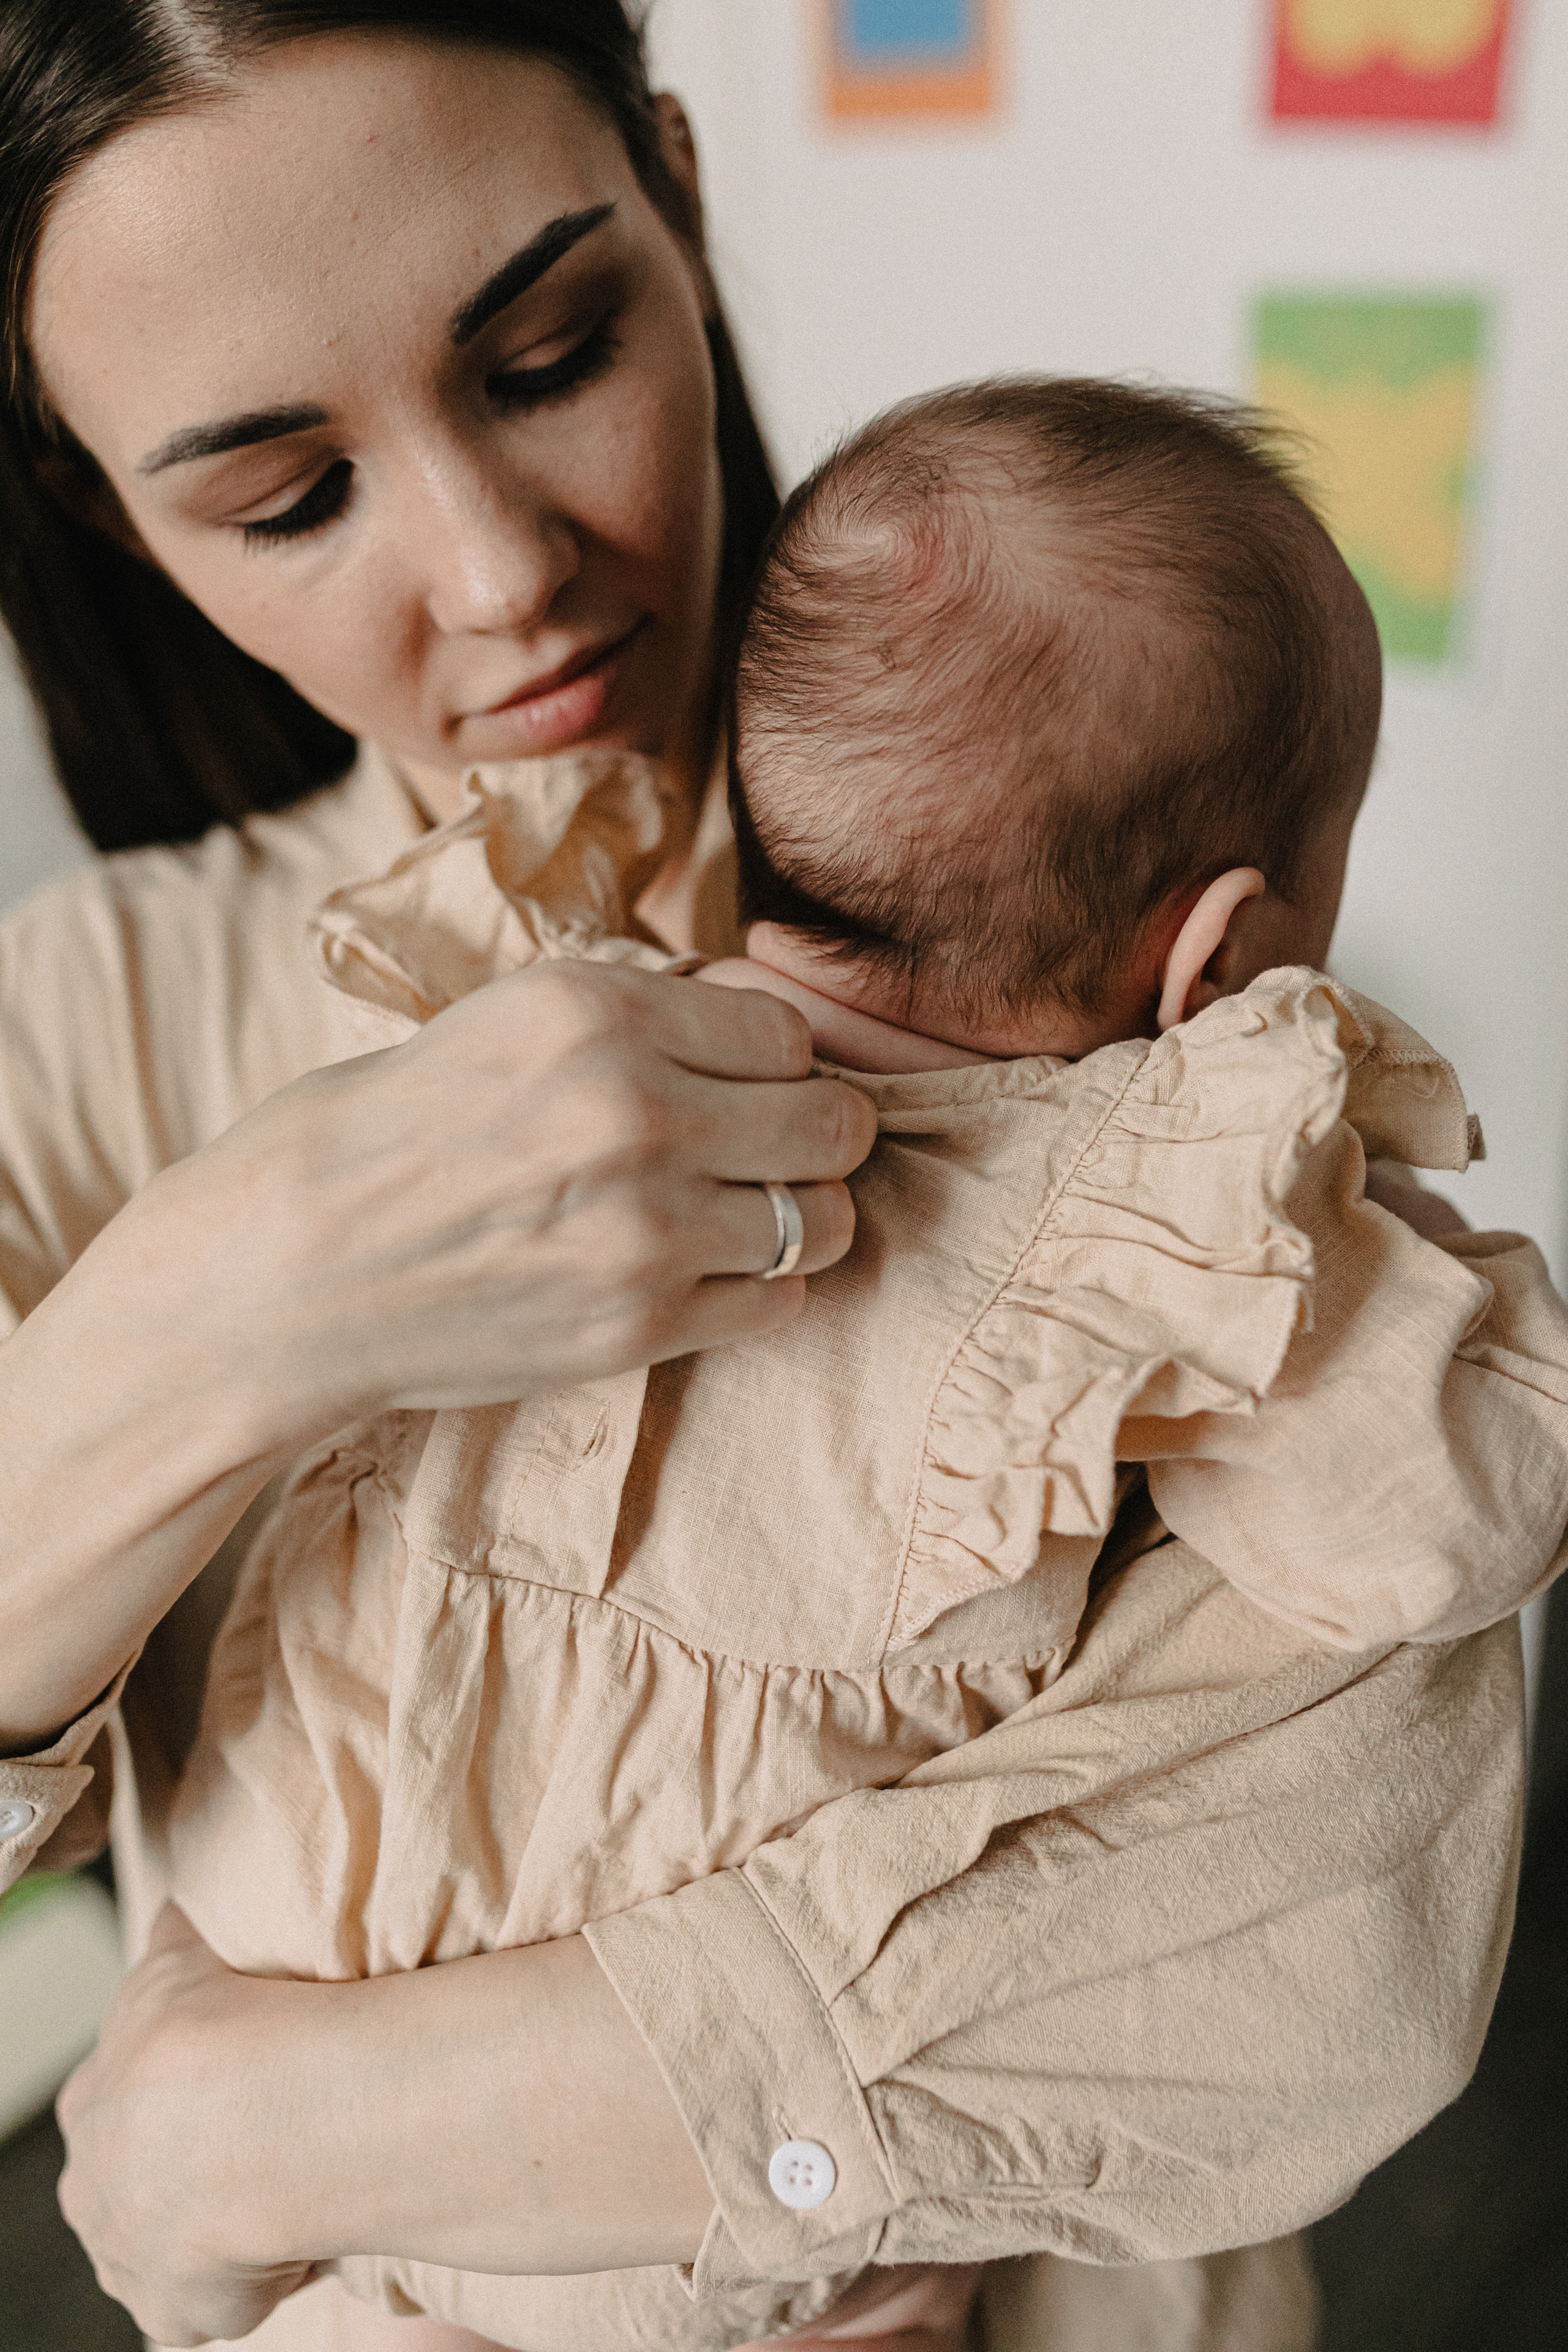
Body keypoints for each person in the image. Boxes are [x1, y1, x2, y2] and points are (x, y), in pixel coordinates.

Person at [0, 9, 1526, 2351]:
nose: (502, 573)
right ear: (115, 508)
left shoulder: (1154, 1033)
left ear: (683, 199)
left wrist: (274, 2130)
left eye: (549, 349)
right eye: (289, 498)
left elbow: (1333, 1927)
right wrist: (231, 1299)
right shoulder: (72, 1041)